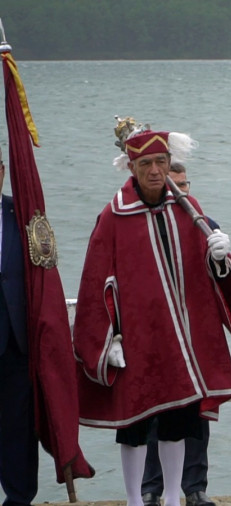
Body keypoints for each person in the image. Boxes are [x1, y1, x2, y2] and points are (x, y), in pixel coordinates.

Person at [73, 128, 231, 506]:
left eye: (161, 162)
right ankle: (134, 499)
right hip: (136, 339)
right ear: (131, 167)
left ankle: (173, 497)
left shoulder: (188, 210)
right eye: (146, 164)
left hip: (183, 339)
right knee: (134, 424)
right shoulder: (113, 216)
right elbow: (95, 281)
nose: (155, 170)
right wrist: (108, 341)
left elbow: (205, 271)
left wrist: (218, 258)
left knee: (179, 421)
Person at [142, 162, 219, 506]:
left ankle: (195, 487)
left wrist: (221, 257)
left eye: (184, 186)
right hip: (154, 335)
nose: (181, 194)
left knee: (197, 413)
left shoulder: (204, 225)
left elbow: (223, 279)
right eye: (174, 188)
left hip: (193, 333)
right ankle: (151, 488)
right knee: (154, 413)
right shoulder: (141, 223)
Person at [0, 149, 38, 505]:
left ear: (2, 171)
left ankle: (18, 498)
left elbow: (43, 269)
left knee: (17, 428)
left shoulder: (21, 210)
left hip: (14, 338)